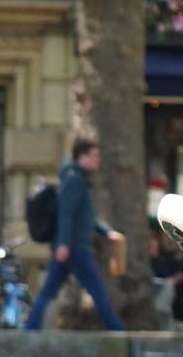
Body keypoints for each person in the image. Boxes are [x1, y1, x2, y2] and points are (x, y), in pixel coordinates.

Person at [27, 139, 125, 331]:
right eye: (94, 156)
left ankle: (30, 328)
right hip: (75, 248)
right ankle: (116, 329)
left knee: (48, 291)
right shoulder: (74, 180)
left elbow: (84, 218)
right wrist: (63, 244)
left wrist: (106, 232)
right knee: (96, 288)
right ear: (82, 157)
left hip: (70, 247)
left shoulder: (77, 179)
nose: (98, 160)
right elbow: (66, 214)